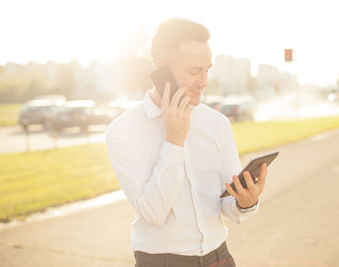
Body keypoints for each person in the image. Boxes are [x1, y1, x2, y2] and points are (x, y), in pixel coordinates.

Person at [105, 18, 268, 267]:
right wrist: (174, 140)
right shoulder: (123, 130)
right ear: (162, 69)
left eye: (207, 70)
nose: (204, 82)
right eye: (194, 71)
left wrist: (246, 202)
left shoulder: (218, 123)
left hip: (219, 257)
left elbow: (227, 205)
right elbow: (153, 213)